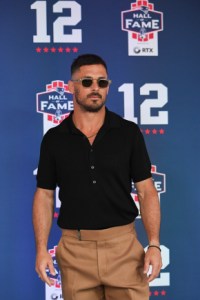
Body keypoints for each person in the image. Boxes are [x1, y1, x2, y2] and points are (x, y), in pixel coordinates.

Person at [33, 54, 162, 300]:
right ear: (71, 87)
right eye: (87, 82)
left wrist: (154, 244)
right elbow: (45, 194)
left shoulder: (128, 133)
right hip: (75, 251)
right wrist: (41, 249)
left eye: (102, 83)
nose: (95, 88)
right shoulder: (54, 139)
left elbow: (146, 191)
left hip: (123, 248)